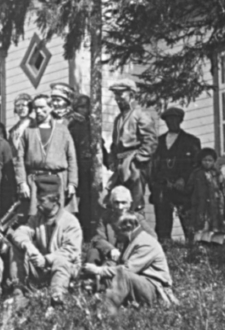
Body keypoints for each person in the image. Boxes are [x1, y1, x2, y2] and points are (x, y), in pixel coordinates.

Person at [7, 174, 82, 309]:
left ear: (55, 201)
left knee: (61, 262)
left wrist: (46, 259)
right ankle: (18, 291)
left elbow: (71, 251)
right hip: (42, 269)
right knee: (17, 247)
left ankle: (56, 301)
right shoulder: (37, 218)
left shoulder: (70, 222)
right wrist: (28, 246)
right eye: (37, 200)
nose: (37, 205)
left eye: (42, 201)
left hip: (65, 269)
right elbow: (20, 232)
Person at [85, 212, 177, 309]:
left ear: (127, 229)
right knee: (109, 267)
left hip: (153, 288)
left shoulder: (146, 243)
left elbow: (127, 270)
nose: (115, 236)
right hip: (140, 282)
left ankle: (107, 308)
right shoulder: (132, 240)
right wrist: (105, 266)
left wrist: (98, 270)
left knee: (123, 275)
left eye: (116, 232)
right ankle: (96, 293)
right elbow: (120, 264)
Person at [13, 94, 79, 216]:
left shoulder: (62, 130)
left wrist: (72, 183)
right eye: (35, 108)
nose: (38, 111)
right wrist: (22, 183)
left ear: (50, 108)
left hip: (58, 181)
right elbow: (19, 159)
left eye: (42, 107)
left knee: (59, 218)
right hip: (35, 181)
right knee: (35, 218)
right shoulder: (28, 131)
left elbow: (72, 158)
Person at [151, 107, 202, 243]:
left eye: (175, 120)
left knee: (188, 222)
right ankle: (164, 249)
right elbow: (153, 166)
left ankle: (192, 250)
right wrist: (155, 185)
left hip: (183, 189)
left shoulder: (191, 141)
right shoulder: (158, 142)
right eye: (168, 120)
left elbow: (196, 166)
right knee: (162, 223)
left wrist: (184, 179)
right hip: (163, 188)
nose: (171, 123)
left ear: (180, 120)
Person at [108, 80, 159, 212]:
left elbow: (151, 141)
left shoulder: (141, 115)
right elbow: (116, 144)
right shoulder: (119, 118)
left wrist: (136, 161)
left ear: (131, 94)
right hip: (120, 166)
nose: (118, 99)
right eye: (116, 95)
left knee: (135, 204)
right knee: (119, 203)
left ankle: (138, 231)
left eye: (121, 94)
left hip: (135, 166)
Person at [65, 92, 101, 239]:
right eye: (80, 107)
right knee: (75, 201)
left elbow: (98, 144)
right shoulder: (71, 124)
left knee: (89, 201)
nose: (84, 111)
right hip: (74, 167)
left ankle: (89, 231)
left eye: (86, 107)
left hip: (89, 168)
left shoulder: (92, 125)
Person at [188, 147, 225, 244]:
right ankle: (201, 247)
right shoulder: (196, 174)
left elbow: (223, 187)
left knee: (217, 226)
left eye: (210, 160)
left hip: (216, 205)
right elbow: (189, 188)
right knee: (202, 226)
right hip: (201, 204)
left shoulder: (217, 174)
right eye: (205, 160)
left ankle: (216, 246)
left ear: (214, 161)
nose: (207, 163)